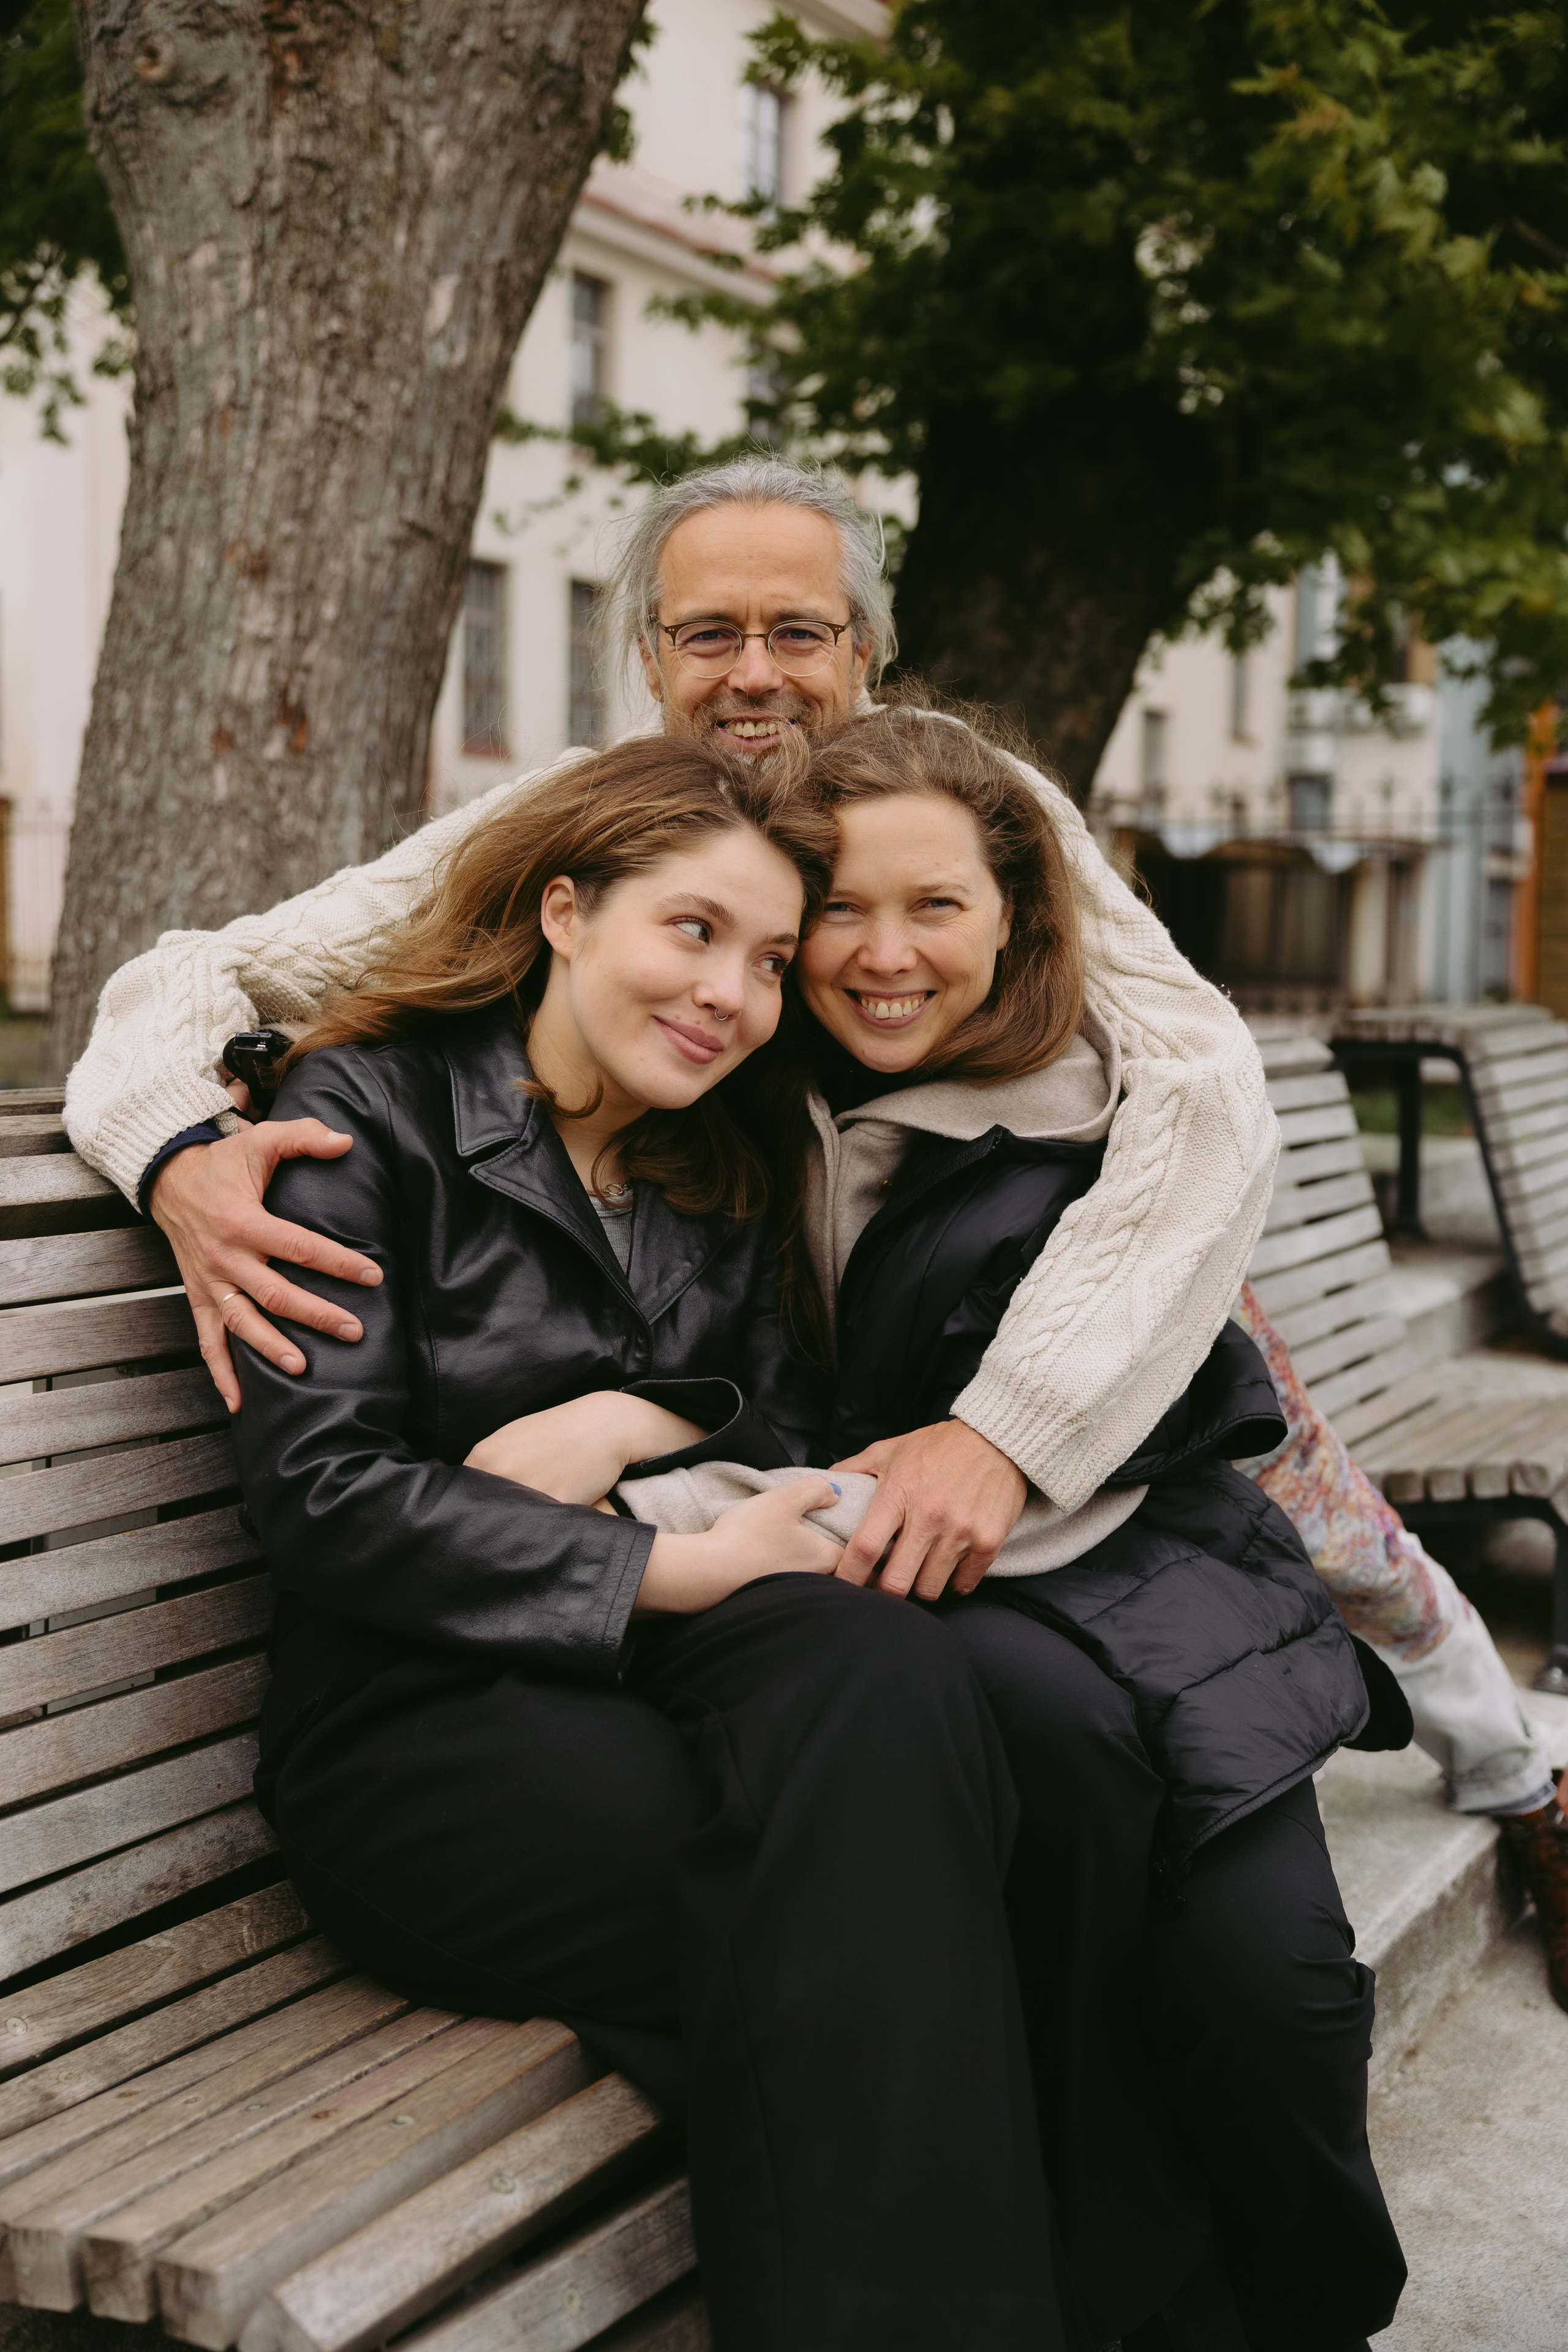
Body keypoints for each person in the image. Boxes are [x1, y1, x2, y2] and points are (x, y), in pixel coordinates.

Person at [60, 450, 1562, 1986]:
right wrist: (171, 1143)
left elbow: (1201, 1080)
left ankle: (1508, 1756)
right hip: (773, 1301)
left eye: (801, 629)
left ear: (866, 650)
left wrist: (1014, 1425)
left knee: (1321, 1508)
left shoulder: (964, 798)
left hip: (1032, 1272)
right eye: (708, 632)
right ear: (648, 655)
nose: (754, 672)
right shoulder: (600, 816)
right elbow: (208, 969)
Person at [480, 701, 1407, 2352]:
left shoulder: (1104, 1119)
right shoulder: (740, 1086)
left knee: (1265, 1990)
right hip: (908, 1610)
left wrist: (991, 1447)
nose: (884, 954)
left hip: (1150, 1599)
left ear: (1018, 920)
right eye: (838, 908)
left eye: (939, 909)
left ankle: (1292, 2314)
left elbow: (1211, 1398)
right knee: (1023, 1838)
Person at [235, 733, 1084, 2352]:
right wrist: (663, 1569)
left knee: (886, 1674)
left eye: (769, 961)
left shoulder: (722, 1149)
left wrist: (626, 1422)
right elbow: (326, 1492)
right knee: (882, 1882)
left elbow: (766, 1425)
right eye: (692, 932)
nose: (735, 996)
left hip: (645, 1670)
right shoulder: (370, 1115)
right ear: (564, 909)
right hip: (418, 1730)